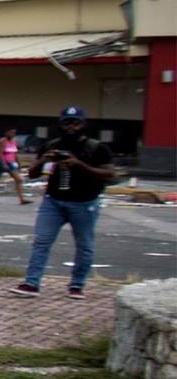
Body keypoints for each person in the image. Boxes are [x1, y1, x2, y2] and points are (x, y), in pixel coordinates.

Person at [10, 106, 114, 300]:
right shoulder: (52, 145)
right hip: (54, 202)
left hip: (84, 203)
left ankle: (77, 285)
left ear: (84, 124)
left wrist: (79, 164)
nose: (71, 127)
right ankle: (32, 283)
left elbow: (109, 173)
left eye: (75, 123)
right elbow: (32, 174)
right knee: (41, 241)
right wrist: (44, 160)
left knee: (84, 245)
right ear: (60, 124)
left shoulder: (96, 148)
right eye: (67, 122)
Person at [0, 127, 29, 205]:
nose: (13, 134)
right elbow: (0, 153)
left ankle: (22, 199)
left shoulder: (14, 141)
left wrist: (18, 162)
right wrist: (3, 164)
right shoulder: (2, 141)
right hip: (0, 163)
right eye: (11, 132)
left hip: (10, 163)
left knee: (18, 179)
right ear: (6, 133)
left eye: (14, 133)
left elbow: (14, 153)